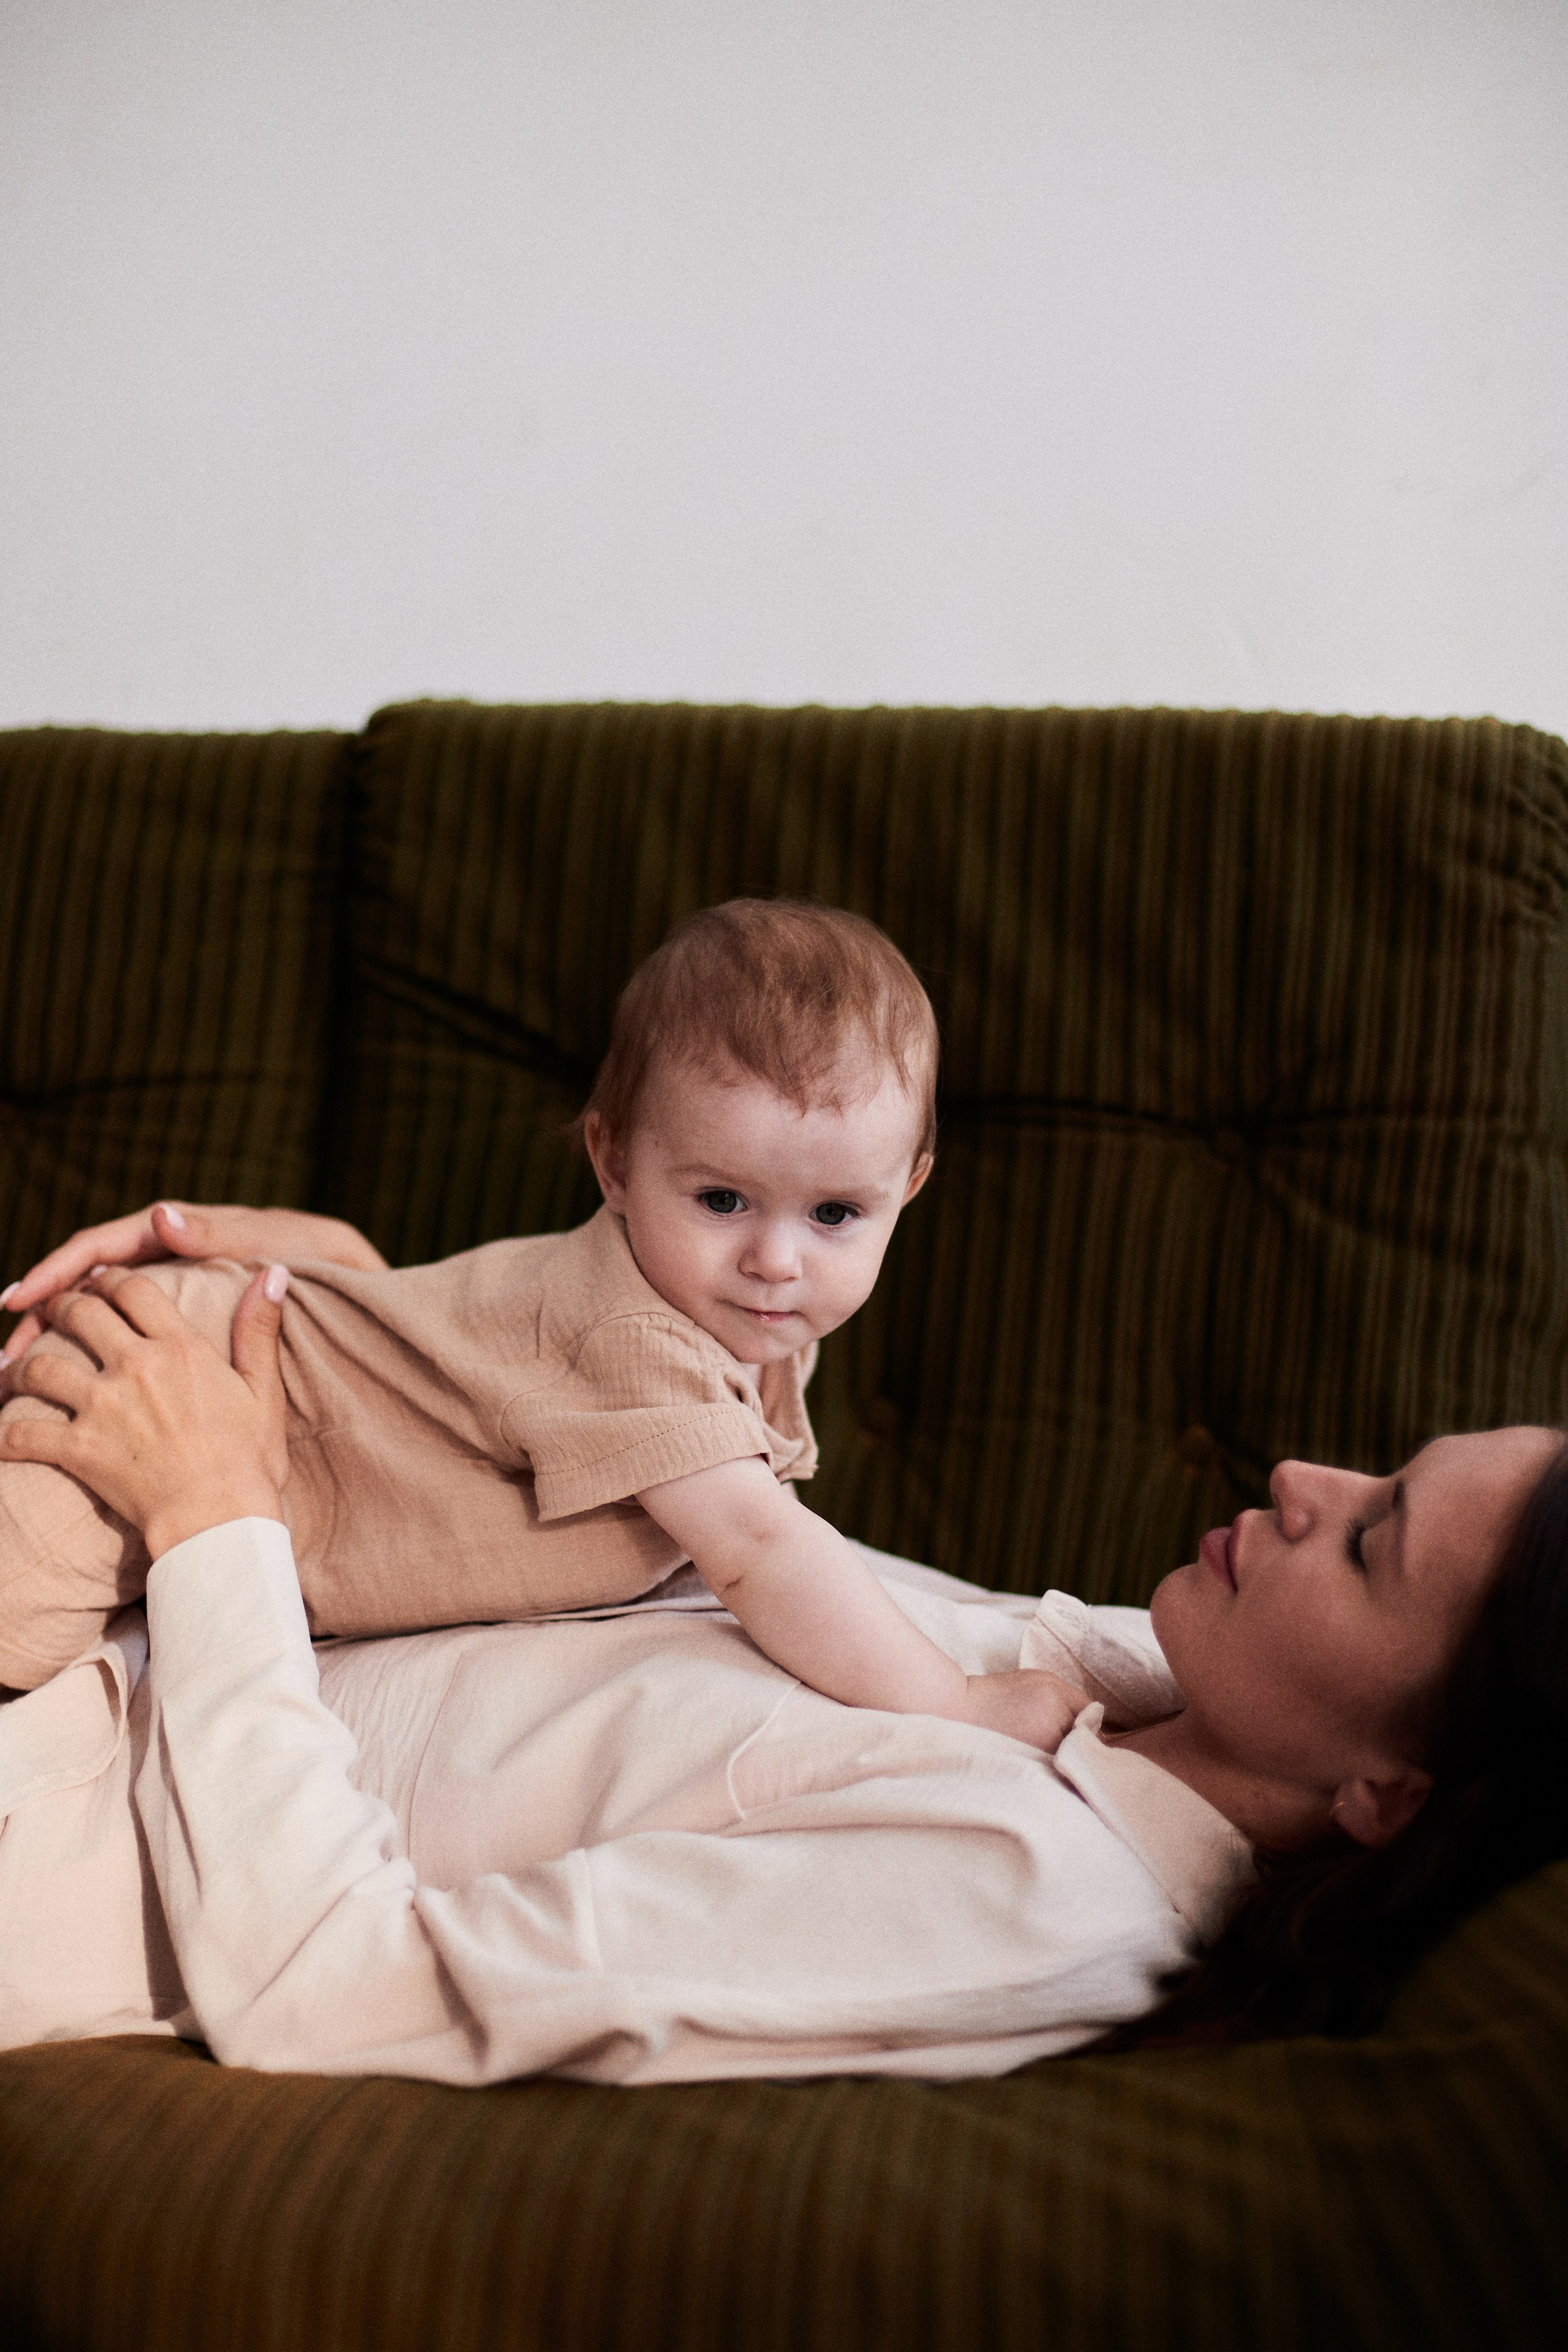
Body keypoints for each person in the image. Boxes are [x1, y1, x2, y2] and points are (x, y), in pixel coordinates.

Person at [1, 1205, 1564, 2078]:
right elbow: (652, 1553)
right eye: (1378, 1468)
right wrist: (348, 1311)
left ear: (1389, 1793)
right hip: (99, 1600)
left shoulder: (1031, 1894)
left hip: (53, 1817)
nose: (1304, 1481)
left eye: (1371, 1545)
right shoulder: (1077, 1681)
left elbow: (328, 1992)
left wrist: (217, 1508)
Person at [0, 901, 1076, 1754]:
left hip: (265, 1407)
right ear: (613, 1164)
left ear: (909, 1186)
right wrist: (952, 1700)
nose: (776, 1258)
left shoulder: (747, 1314)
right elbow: (758, 1547)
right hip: (187, 1375)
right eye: (721, 1201)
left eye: (837, 1214)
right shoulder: (636, 1333)